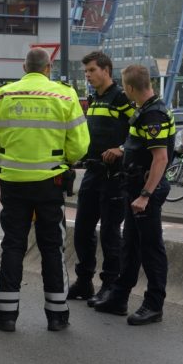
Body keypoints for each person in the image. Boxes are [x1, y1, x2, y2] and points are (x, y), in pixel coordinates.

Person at [0, 48, 89, 332]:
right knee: (51, 247)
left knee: (13, 244)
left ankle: (5, 315)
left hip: (13, 183)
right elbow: (79, 146)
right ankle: (57, 315)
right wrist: (61, 158)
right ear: (49, 68)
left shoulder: (2, 96)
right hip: (49, 184)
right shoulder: (65, 96)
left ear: (23, 67)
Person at [92, 64, 174, 325]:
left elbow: (160, 159)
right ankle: (119, 296)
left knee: (150, 248)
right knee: (131, 245)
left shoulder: (154, 115)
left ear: (128, 88)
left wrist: (146, 195)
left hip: (145, 191)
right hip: (134, 188)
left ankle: (154, 305)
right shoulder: (146, 110)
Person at [68, 51, 134, 306]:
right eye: (85, 72)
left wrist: (122, 148)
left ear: (106, 70)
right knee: (82, 230)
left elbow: (138, 129)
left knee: (109, 233)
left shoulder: (121, 98)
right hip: (93, 172)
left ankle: (109, 285)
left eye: (92, 71)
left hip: (114, 176)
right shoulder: (95, 98)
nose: (88, 76)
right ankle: (84, 281)